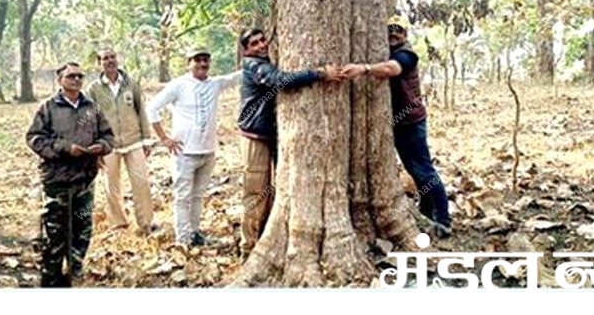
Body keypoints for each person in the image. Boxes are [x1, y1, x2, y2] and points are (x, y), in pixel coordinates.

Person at [237, 28, 343, 258]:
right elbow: (281, 81)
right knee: (256, 193)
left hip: (269, 135)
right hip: (254, 137)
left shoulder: (264, 63)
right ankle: (248, 248)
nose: (262, 45)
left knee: (273, 190)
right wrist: (320, 74)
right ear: (246, 50)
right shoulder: (255, 66)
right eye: (254, 43)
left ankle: (263, 236)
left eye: (263, 40)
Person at [341, 23, 452, 237]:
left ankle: (444, 219)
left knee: (423, 170)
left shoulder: (406, 55)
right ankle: (427, 211)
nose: (393, 35)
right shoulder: (388, 53)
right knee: (416, 171)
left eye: (398, 32)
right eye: (389, 31)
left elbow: (391, 69)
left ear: (405, 35)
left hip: (411, 122)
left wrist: (363, 68)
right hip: (399, 124)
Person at [26, 62, 114, 287]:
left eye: (79, 76)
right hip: (57, 181)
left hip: (85, 181)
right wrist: (65, 148)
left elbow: (108, 136)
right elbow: (34, 138)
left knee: (82, 228)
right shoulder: (48, 108)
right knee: (55, 232)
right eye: (70, 76)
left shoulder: (91, 107)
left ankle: (75, 271)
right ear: (60, 80)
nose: (76, 80)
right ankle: (51, 279)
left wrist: (101, 146)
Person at [146, 46, 242, 247]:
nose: (202, 64)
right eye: (197, 60)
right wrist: (164, 138)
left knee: (198, 196)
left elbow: (237, 77)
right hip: (184, 152)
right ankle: (183, 240)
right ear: (188, 63)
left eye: (206, 59)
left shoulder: (215, 84)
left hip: (207, 151)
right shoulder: (179, 85)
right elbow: (152, 108)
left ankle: (195, 234)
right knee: (183, 197)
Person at [85, 48, 156, 235]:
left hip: (134, 141)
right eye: (105, 58)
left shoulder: (131, 83)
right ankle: (118, 224)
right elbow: (90, 120)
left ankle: (145, 223)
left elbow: (141, 111)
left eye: (112, 57)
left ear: (117, 59)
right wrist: (95, 148)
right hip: (108, 145)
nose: (110, 61)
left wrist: (147, 139)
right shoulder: (94, 89)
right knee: (111, 185)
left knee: (141, 182)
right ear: (99, 63)